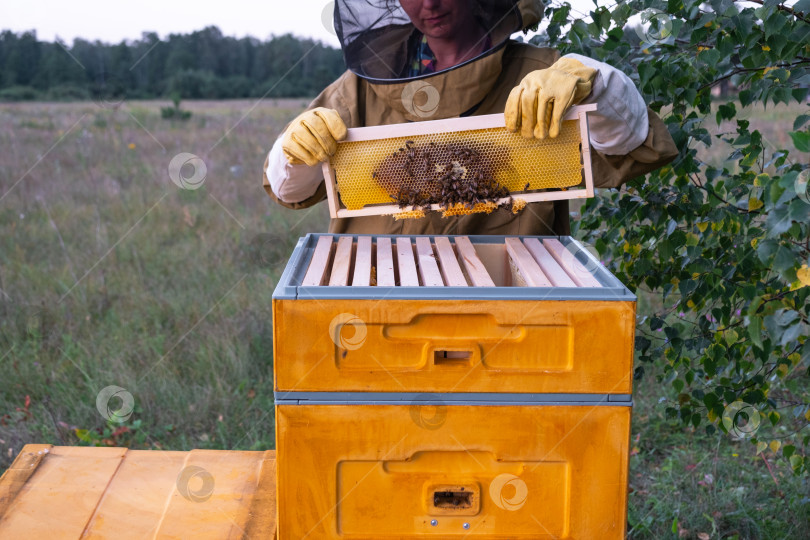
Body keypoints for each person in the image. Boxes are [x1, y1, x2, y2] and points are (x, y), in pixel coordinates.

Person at [262, 0, 678, 236]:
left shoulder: (542, 74)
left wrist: (599, 83)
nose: (429, 4)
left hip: (507, 314)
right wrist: (293, 152)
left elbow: (632, 144)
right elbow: (290, 190)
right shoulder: (358, 89)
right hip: (377, 307)